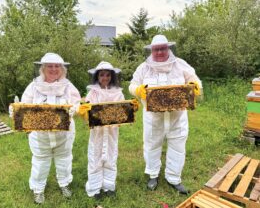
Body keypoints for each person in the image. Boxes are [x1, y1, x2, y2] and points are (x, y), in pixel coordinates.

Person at [129, 35, 202, 194]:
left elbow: (194, 79)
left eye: (163, 48)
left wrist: (195, 86)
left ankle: (174, 178)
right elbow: (132, 85)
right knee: (151, 145)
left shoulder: (180, 64)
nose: (160, 52)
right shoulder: (144, 67)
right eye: (157, 49)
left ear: (168, 48)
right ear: (152, 50)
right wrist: (138, 90)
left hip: (177, 118)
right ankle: (153, 175)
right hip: (153, 119)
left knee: (178, 147)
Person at [17, 53, 81, 204]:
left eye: (57, 66)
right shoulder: (33, 86)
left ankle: (64, 184)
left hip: (63, 134)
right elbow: (24, 106)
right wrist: (16, 111)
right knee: (40, 162)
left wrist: (74, 109)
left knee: (64, 159)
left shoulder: (68, 85)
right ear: (43, 68)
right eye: (50, 66)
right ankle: (38, 190)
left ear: (62, 68)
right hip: (40, 136)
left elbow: (78, 102)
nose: (54, 69)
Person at [79, 61, 125, 199]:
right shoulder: (92, 93)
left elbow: (123, 111)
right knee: (95, 159)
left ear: (112, 76)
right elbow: (87, 111)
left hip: (112, 132)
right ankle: (94, 189)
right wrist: (85, 112)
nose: (105, 78)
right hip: (97, 133)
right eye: (101, 75)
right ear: (97, 77)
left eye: (107, 75)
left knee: (111, 157)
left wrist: (129, 111)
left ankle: (109, 187)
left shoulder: (118, 93)